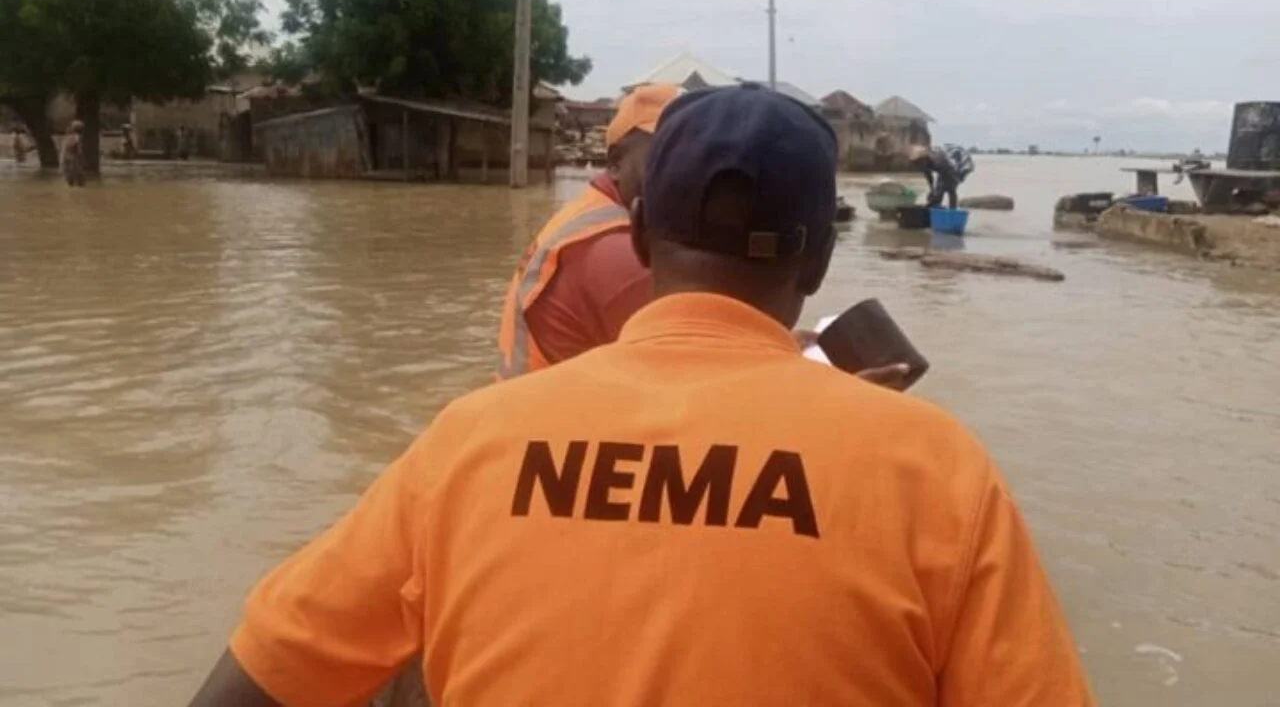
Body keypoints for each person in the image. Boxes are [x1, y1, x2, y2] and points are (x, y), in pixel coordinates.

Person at [190, 85, 1094, 707]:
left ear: (642, 228)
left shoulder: (467, 445)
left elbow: (253, 686)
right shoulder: (936, 472)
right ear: (819, 260)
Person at [497, 85, 910, 389]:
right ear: (617, 161)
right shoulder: (609, 249)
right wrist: (848, 407)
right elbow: (702, 394)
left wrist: (770, 345)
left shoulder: (587, 218)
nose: (705, 164)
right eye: (674, 149)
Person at [497, 82, 680, 378]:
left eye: (688, 156)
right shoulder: (617, 251)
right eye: (663, 156)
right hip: (551, 417)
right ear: (616, 162)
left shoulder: (587, 213)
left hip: (527, 408)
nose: (680, 170)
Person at [909, 143, 974, 209]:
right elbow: (929, 177)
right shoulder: (923, 162)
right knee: (939, 191)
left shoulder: (938, 161)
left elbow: (950, 185)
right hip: (945, 164)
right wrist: (931, 191)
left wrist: (935, 194)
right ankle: (935, 207)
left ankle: (952, 211)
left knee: (949, 189)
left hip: (957, 163)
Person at [61, 120, 86, 187]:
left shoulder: (68, 136)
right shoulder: (76, 137)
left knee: (70, 177)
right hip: (73, 159)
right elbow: (77, 148)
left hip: (67, 158)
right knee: (78, 177)